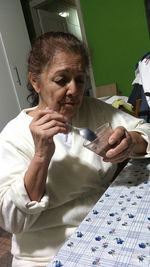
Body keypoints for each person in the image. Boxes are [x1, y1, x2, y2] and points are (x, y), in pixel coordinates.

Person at [0, 32, 150, 267]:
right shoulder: (14, 135)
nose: (74, 90)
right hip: (44, 254)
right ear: (35, 81)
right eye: (62, 80)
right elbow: (12, 221)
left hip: (103, 230)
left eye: (80, 80)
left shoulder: (94, 111)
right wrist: (41, 156)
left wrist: (132, 140)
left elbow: (144, 129)